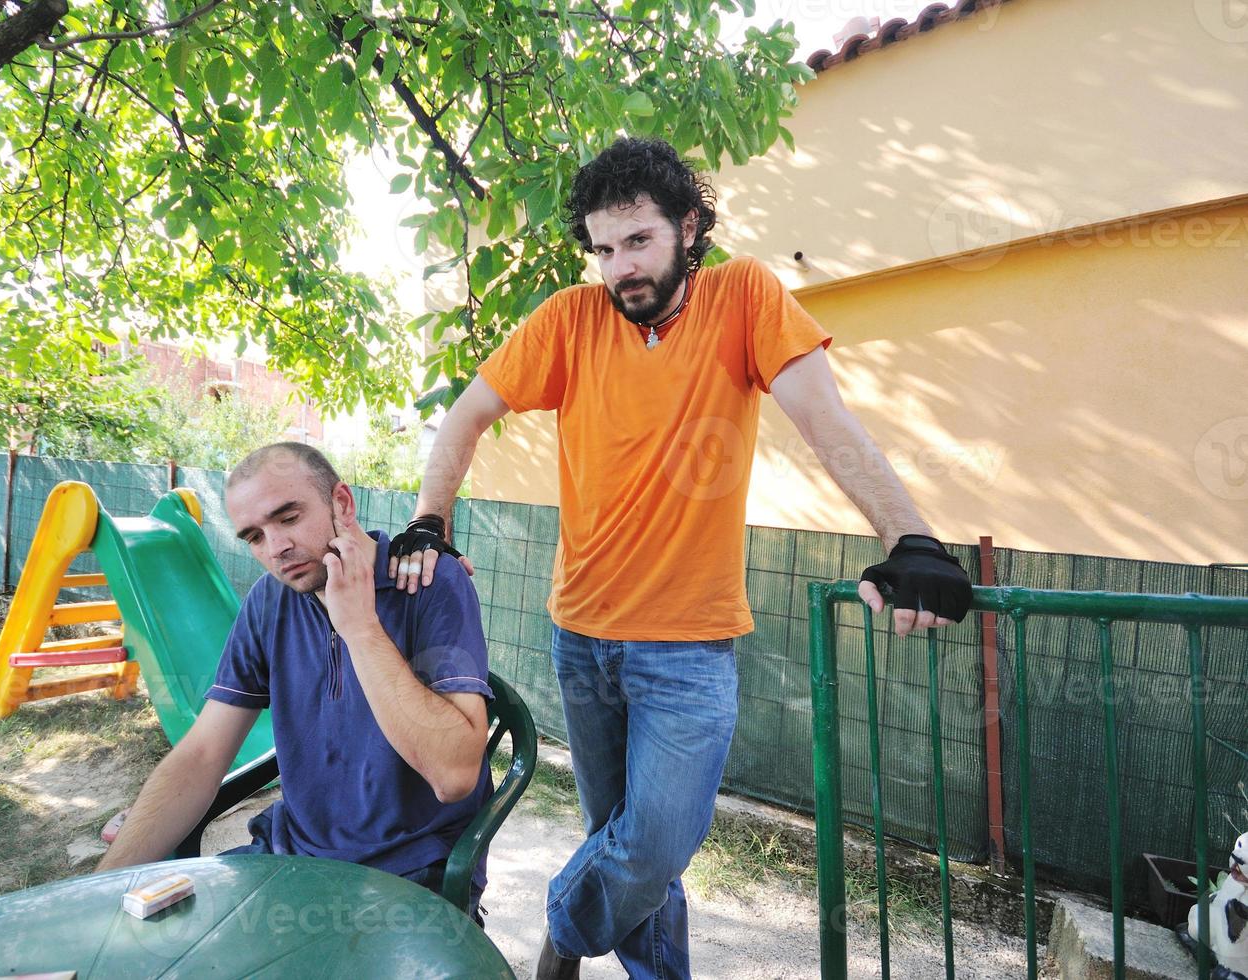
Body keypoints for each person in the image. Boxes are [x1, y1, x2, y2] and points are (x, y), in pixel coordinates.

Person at [388, 138, 972, 979]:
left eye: (638, 242)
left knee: (652, 845)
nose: (619, 267)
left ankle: (557, 937)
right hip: (581, 640)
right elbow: (466, 415)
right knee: (626, 852)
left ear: (688, 228)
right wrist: (429, 522)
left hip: (688, 650)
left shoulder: (744, 298)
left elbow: (824, 417)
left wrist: (907, 537)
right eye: (602, 248)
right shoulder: (568, 320)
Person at [98, 442, 496, 914]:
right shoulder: (270, 601)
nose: (276, 549)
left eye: (288, 518)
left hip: (409, 873)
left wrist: (361, 628)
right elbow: (203, 754)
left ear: (342, 504)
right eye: (254, 537)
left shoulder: (428, 580)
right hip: (290, 856)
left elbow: (454, 776)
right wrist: (97, 890)